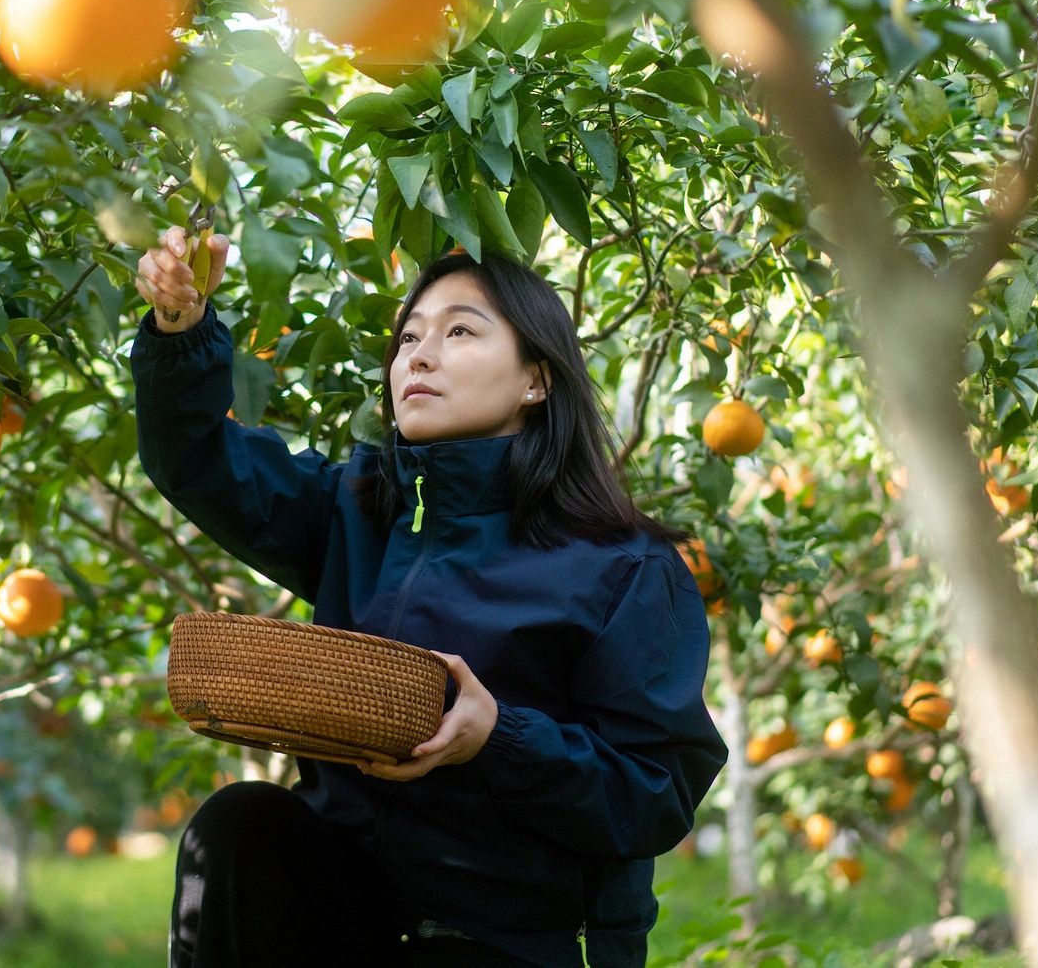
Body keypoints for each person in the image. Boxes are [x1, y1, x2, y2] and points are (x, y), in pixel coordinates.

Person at [131, 226, 728, 968]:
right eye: (408, 336)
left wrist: (498, 739)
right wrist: (181, 329)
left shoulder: (625, 566)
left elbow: (653, 794)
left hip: (512, 938)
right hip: (351, 915)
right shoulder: (357, 510)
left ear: (535, 380)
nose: (418, 354)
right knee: (239, 823)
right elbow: (198, 463)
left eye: (458, 332)